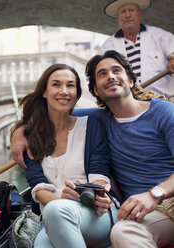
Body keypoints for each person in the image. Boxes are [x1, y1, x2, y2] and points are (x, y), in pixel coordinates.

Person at [11, 50, 174, 247]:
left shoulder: (164, 111)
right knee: (123, 233)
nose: (111, 76)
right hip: (144, 212)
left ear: (130, 81)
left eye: (116, 70)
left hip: (166, 197)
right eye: (102, 74)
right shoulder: (100, 118)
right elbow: (56, 112)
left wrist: (154, 194)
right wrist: (20, 130)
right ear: (95, 90)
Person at [10, 63, 118, 247]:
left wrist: (91, 193)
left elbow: (99, 175)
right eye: (56, 85)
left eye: (70, 85)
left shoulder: (91, 126)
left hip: (95, 213)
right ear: (44, 92)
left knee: (54, 212)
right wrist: (60, 200)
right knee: (41, 244)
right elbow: (38, 186)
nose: (64, 91)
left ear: (76, 93)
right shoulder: (30, 136)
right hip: (54, 216)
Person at [100, 0, 174, 100]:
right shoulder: (108, 45)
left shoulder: (160, 35)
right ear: (118, 18)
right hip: (130, 106)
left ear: (140, 14)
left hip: (164, 101)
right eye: (123, 12)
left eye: (131, 10)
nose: (127, 15)